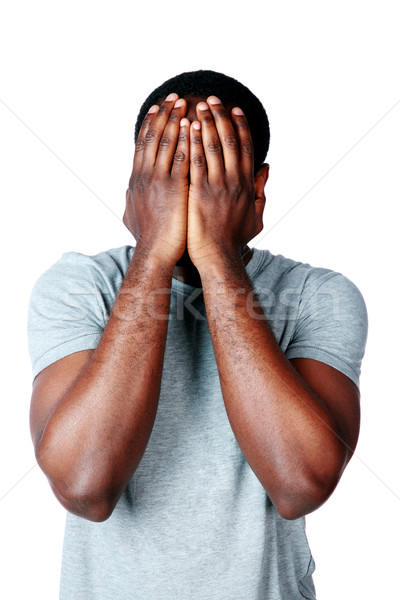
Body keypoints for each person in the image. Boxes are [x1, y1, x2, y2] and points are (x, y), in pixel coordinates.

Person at [28, 69, 368, 600]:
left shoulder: (316, 295)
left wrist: (215, 254)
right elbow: (85, 486)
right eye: (169, 168)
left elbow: (299, 484)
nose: (186, 193)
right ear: (137, 183)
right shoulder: (80, 285)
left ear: (255, 187)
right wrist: (153, 254)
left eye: (210, 170)